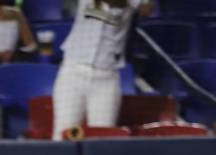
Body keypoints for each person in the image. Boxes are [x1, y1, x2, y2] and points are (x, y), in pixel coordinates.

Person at [52, 0, 153, 141]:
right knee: (64, 135)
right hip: (73, 71)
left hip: (106, 77)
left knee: (103, 139)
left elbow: (146, 9)